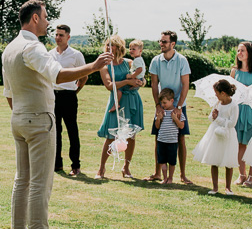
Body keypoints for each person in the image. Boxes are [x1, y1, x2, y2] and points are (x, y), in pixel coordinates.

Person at [2, 1, 112, 229]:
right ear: (35, 19)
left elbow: (8, 92)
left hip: (18, 117)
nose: (49, 21)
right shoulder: (32, 47)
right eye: (46, 16)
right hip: (38, 119)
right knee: (41, 181)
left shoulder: (9, 48)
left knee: (22, 180)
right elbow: (58, 74)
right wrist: (94, 67)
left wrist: (21, 112)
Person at [95, 35, 144, 180]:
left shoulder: (129, 62)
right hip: (116, 101)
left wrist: (141, 82)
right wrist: (127, 81)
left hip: (133, 100)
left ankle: (126, 168)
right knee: (111, 136)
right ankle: (101, 169)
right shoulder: (104, 66)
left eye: (112, 46)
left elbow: (141, 77)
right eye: (107, 46)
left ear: (119, 48)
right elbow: (109, 86)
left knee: (131, 136)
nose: (109, 48)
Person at [149, 31, 192, 184]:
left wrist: (179, 106)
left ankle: (182, 175)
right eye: (160, 41)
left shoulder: (182, 60)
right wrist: (157, 105)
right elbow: (154, 85)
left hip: (179, 105)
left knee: (180, 139)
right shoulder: (155, 61)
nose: (161, 44)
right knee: (158, 139)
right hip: (161, 106)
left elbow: (186, 84)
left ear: (173, 44)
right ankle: (157, 173)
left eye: (164, 42)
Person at [192, 79, 239, 195]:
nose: (215, 95)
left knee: (228, 160)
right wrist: (213, 116)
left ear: (223, 93)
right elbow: (210, 118)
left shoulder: (234, 106)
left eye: (216, 93)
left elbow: (232, 123)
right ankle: (215, 187)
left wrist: (218, 118)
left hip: (227, 135)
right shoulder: (217, 103)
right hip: (215, 134)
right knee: (214, 159)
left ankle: (228, 187)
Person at [50, 24, 86, 177]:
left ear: (68, 37)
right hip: (53, 95)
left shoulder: (76, 55)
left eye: (61, 35)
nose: (58, 38)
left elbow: (84, 75)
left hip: (69, 95)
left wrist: (75, 90)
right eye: (56, 35)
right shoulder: (49, 54)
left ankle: (75, 165)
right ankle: (56, 163)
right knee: (55, 131)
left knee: (72, 130)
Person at [231, 41, 252, 186]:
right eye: (238, 50)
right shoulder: (234, 71)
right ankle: (241, 175)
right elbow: (230, 90)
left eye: (242, 50)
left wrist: (248, 89)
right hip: (238, 109)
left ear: (249, 53)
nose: (239, 53)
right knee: (239, 144)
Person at [151, 89, 185, 184]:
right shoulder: (161, 112)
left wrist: (175, 119)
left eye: (165, 103)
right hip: (162, 140)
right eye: (161, 103)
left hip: (172, 141)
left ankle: (170, 178)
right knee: (162, 160)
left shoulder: (177, 113)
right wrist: (158, 119)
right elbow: (157, 126)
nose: (163, 105)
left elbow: (182, 126)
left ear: (172, 101)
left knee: (172, 161)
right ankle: (164, 177)